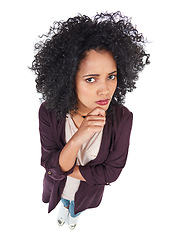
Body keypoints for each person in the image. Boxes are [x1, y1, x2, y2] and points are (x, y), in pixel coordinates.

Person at [30, 11, 150, 230]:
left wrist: (64, 167)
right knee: (63, 200)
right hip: (58, 187)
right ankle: (63, 209)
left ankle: (73, 215)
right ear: (68, 79)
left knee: (77, 207)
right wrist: (78, 138)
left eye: (111, 76)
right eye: (91, 79)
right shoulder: (49, 112)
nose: (105, 89)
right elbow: (50, 167)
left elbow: (110, 173)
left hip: (87, 192)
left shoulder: (123, 119)